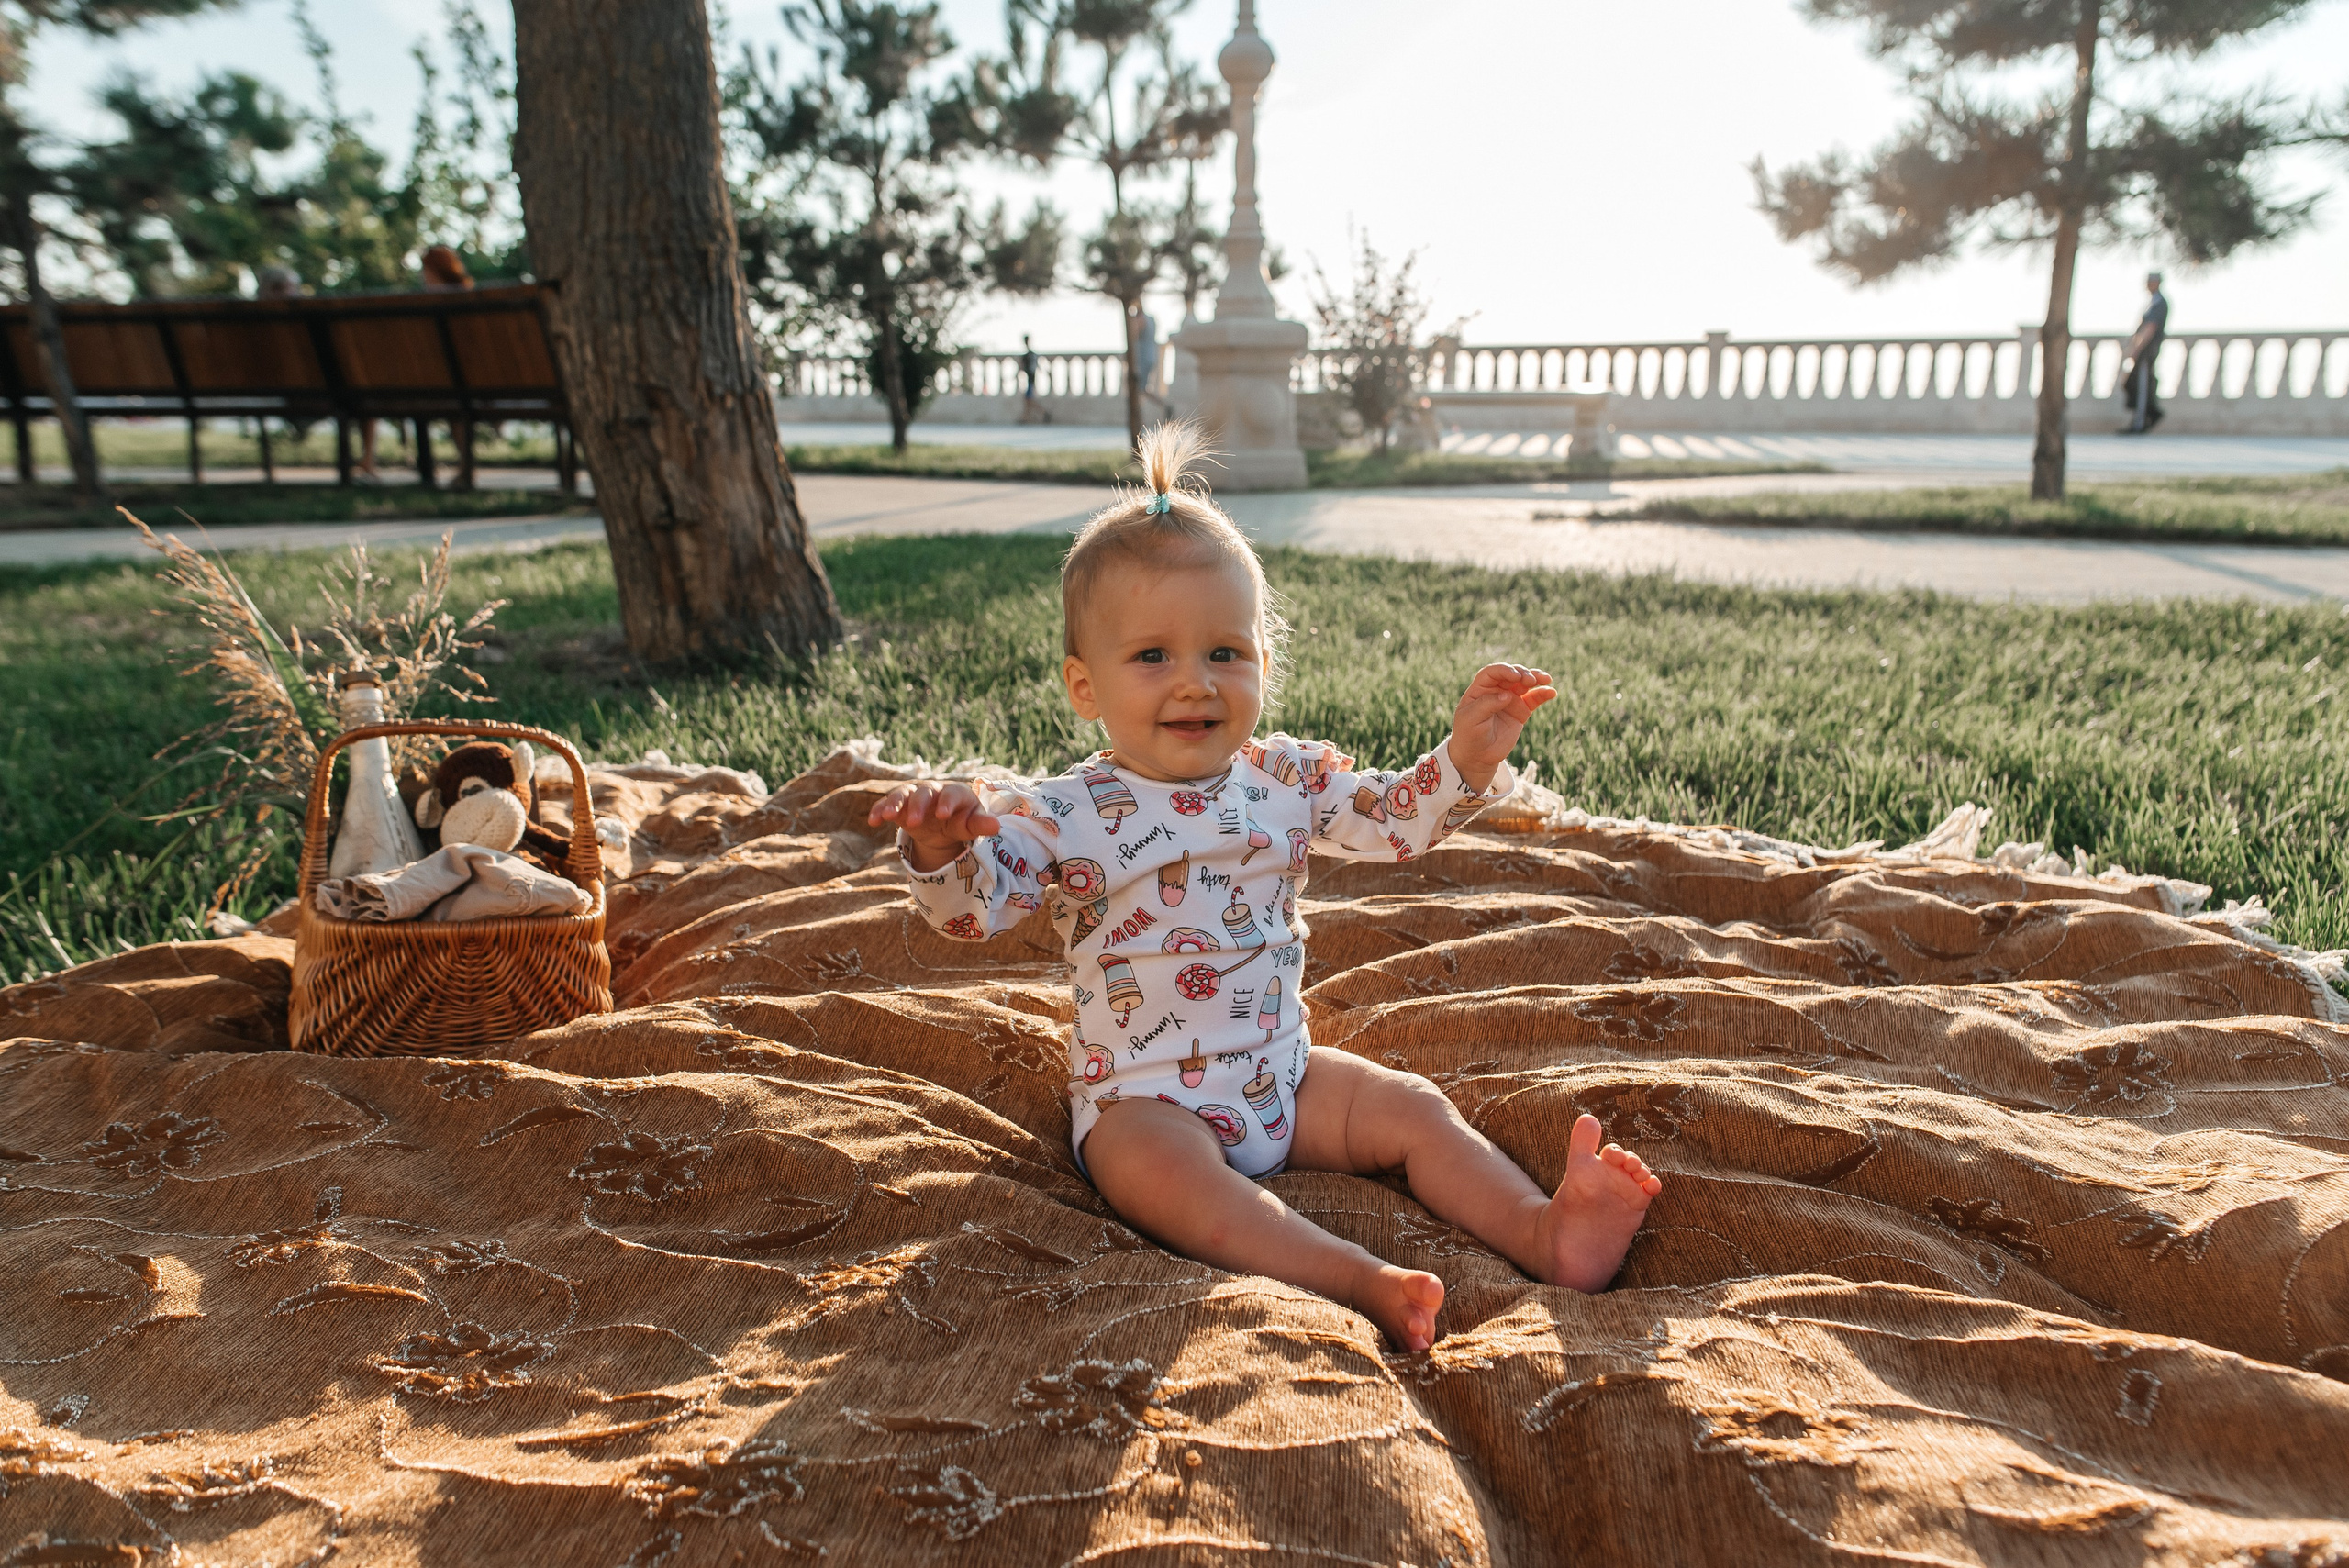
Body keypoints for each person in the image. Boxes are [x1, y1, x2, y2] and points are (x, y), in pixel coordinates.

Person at [868, 424, 1663, 1353]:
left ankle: (1546, 1231)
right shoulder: (1062, 810)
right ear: (1084, 687)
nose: (1194, 681)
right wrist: (937, 848)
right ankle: (1355, 1275)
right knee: (1185, 1190)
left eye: (1225, 652)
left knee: (1410, 1107)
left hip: (1282, 1073)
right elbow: (975, 908)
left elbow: (1392, 820)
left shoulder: (1282, 778)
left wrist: (1463, 758)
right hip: (1142, 1100)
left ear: (1262, 664)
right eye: (1152, 656)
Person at [2121, 271, 2167, 435]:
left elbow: (2150, 328)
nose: (2148, 284)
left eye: (2151, 281)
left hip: (2147, 351)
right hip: (2144, 350)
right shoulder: (2152, 302)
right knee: (2136, 384)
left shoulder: (2159, 303)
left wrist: (2136, 349)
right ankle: (2147, 416)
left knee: (2141, 385)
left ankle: (2141, 422)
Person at [1018, 334, 1051, 425]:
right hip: (1030, 379)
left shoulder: (1030, 355)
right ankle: (1025, 418)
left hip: (1030, 380)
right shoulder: (1031, 354)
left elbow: (1030, 367)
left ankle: (1043, 413)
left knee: (1029, 400)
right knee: (1027, 401)